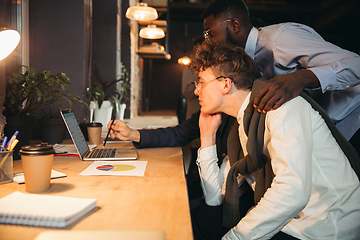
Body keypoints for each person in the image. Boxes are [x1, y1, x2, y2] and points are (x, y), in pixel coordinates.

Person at [189, 40, 360, 240]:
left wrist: (234, 238)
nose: (196, 90)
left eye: (200, 81)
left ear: (225, 84)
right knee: (202, 219)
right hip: (291, 221)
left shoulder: (282, 108)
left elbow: (292, 190)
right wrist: (207, 135)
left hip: (325, 225)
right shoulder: (244, 124)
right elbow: (215, 198)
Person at [201, 0, 360, 156]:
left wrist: (302, 78)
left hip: (352, 118)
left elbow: (356, 64)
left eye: (210, 33)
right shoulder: (244, 62)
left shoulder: (280, 39)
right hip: (326, 133)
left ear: (234, 25)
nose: (208, 41)